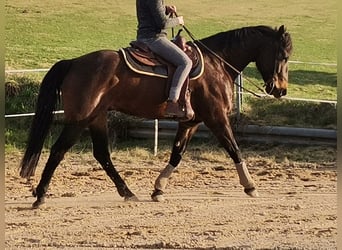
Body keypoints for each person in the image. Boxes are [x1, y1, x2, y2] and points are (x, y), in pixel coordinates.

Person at [136, 0, 194, 120]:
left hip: (143, 36)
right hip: (154, 39)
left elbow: (151, 14)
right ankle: (173, 102)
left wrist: (165, 10)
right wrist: (178, 20)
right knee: (186, 62)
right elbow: (163, 24)